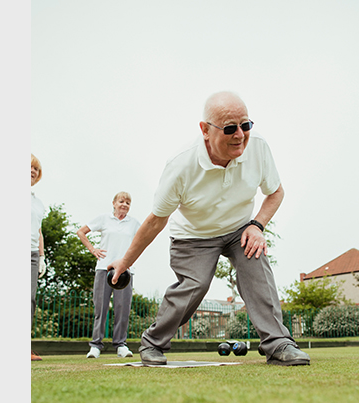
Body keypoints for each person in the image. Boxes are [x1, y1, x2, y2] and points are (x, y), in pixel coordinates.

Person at [108, 91, 310, 366]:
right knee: (196, 283)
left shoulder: (258, 147)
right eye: (229, 128)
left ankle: (278, 344)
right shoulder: (181, 165)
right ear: (205, 130)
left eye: (245, 125)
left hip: (240, 228)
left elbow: (275, 192)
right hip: (193, 235)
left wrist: (257, 225)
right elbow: (156, 220)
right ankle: (152, 343)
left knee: (256, 266)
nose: (240, 135)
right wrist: (125, 262)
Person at [76, 192, 141, 358]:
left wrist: (132, 259)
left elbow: (141, 242)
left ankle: (120, 345)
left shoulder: (134, 223)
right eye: (121, 201)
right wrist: (93, 250)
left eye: (128, 202)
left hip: (125, 272)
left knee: (122, 309)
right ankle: (96, 345)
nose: (124, 205)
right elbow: (81, 232)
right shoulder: (104, 219)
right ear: (114, 203)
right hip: (104, 269)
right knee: (101, 308)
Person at [30, 154, 48, 362]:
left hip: (32, 254)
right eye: (29, 167)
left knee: (30, 299)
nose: (32, 171)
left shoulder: (38, 203)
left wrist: (42, 257)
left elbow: (39, 230)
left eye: (35, 169)